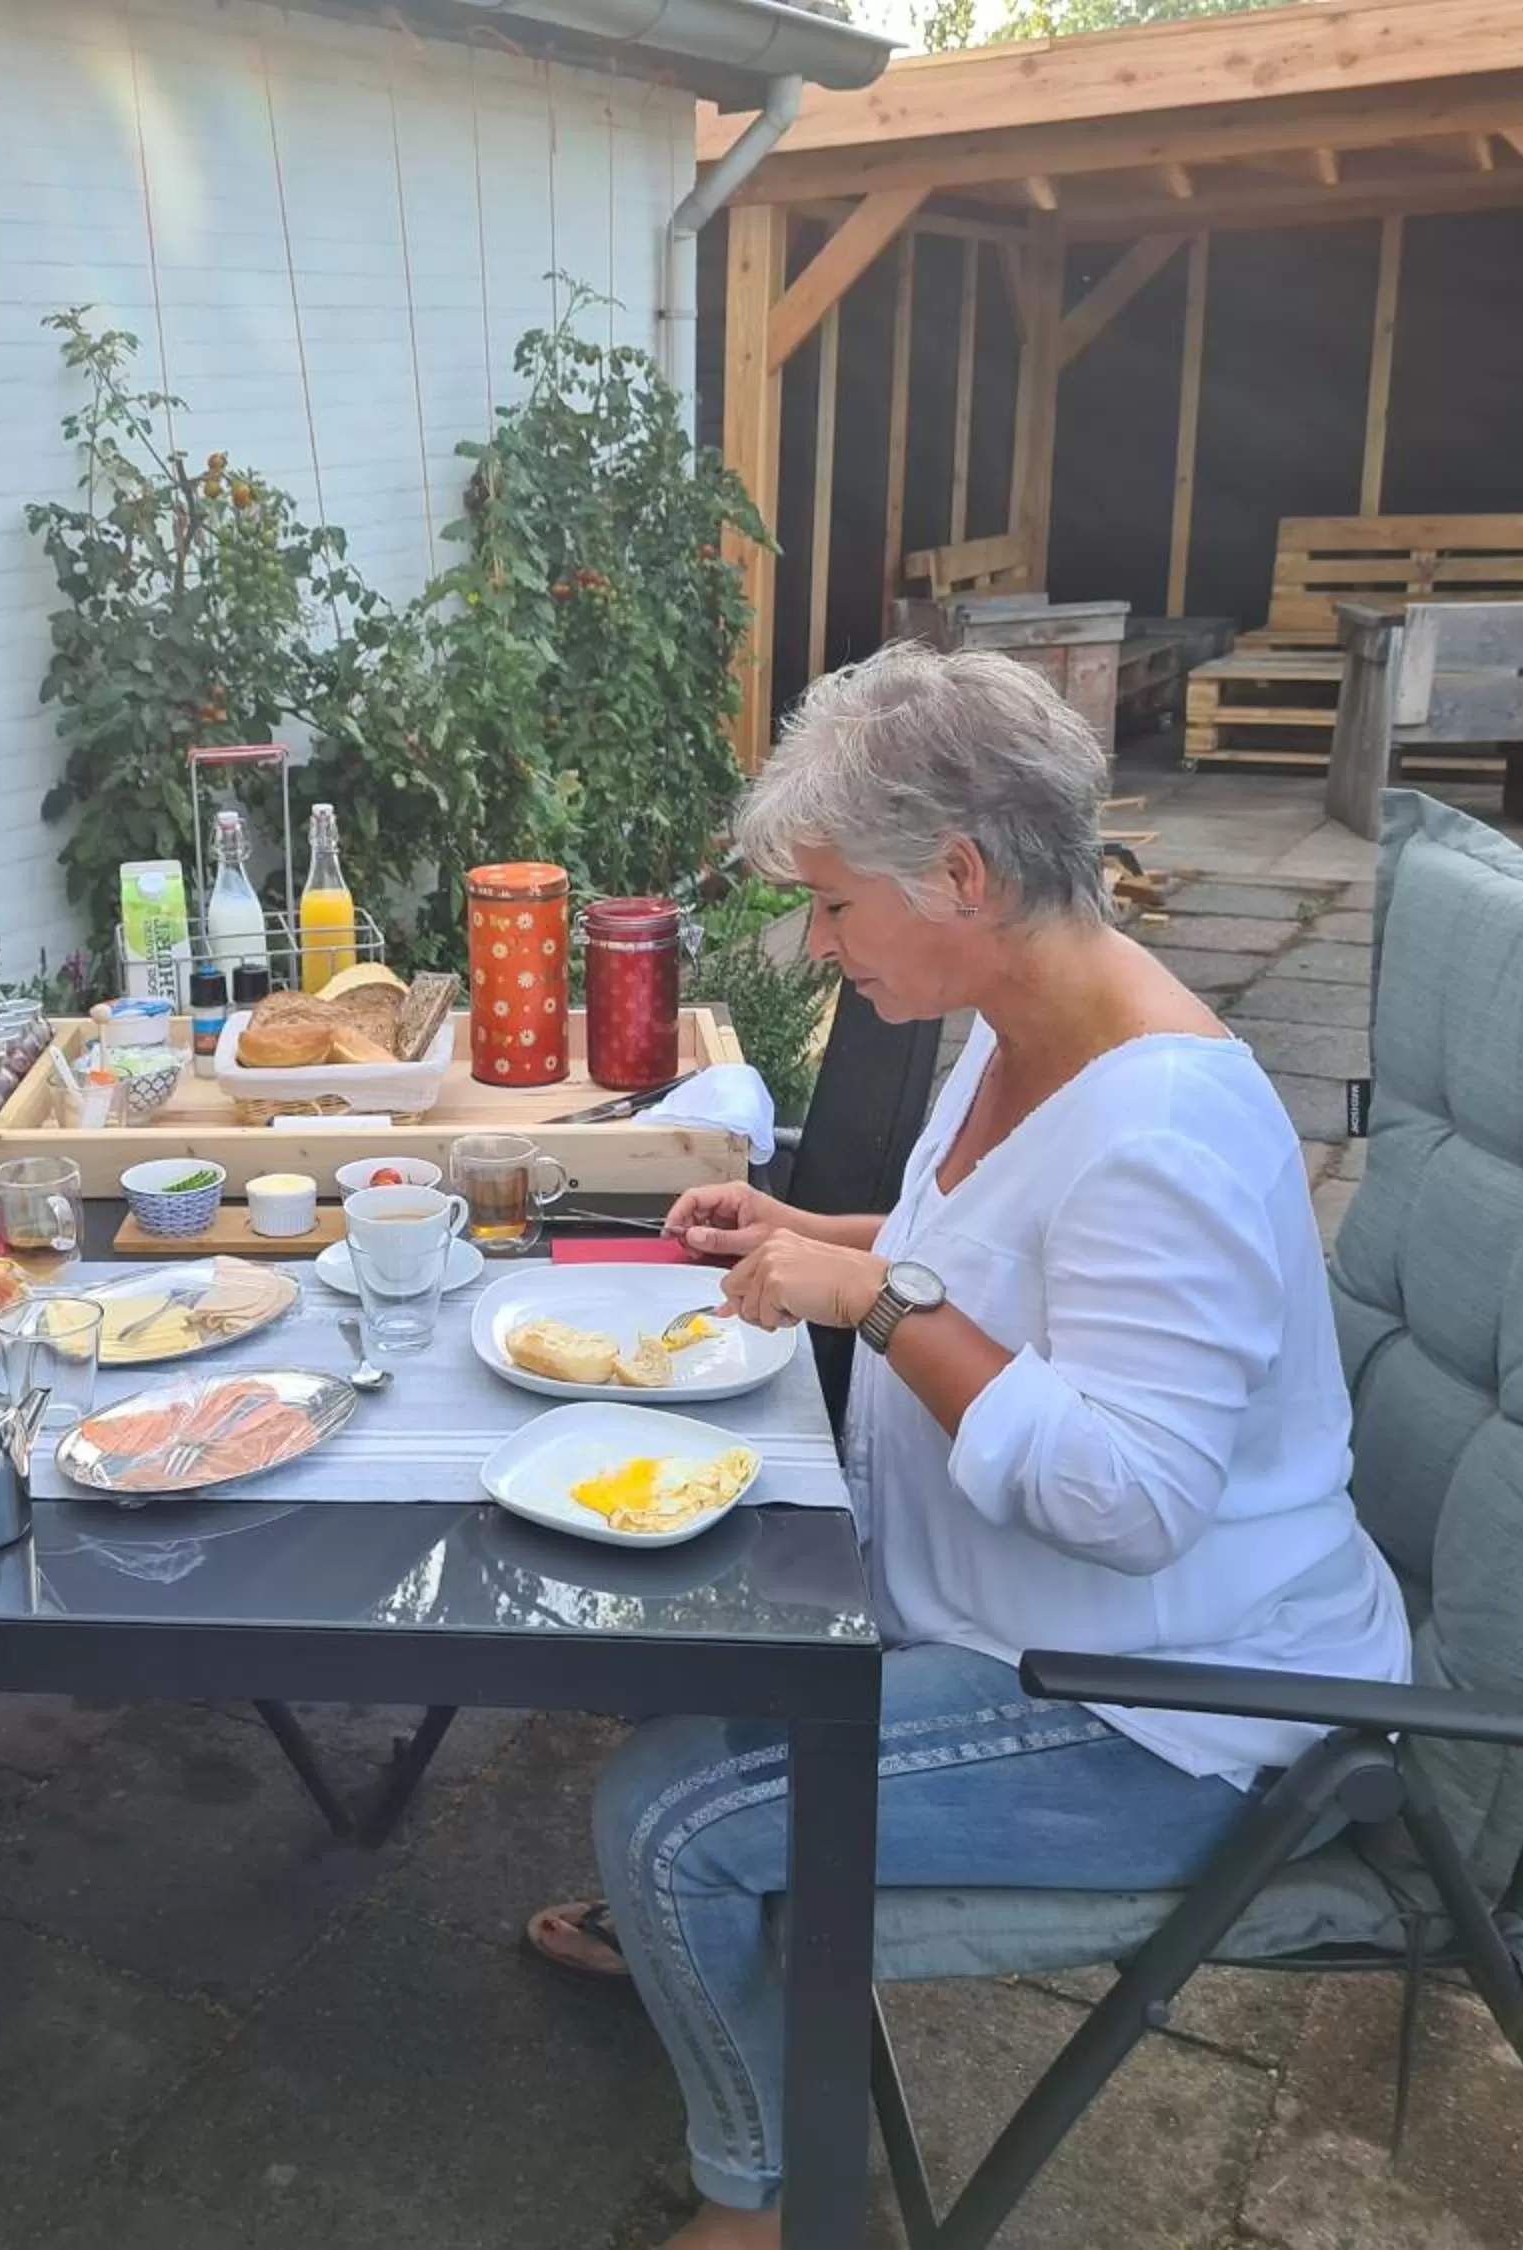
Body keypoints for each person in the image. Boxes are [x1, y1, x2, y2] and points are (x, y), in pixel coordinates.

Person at [528, 643, 1411, 2248]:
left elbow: (1135, 1498)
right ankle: (706, 1935)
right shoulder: (1027, 1026)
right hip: (1011, 1629)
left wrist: (866, 1295)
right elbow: (982, 1252)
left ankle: (766, 2197)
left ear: (959, 869)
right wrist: (816, 1223)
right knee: (679, 1639)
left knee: (660, 1819)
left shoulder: (1167, 1136)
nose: (816, 942)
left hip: (1168, 1713)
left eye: (836, 904)